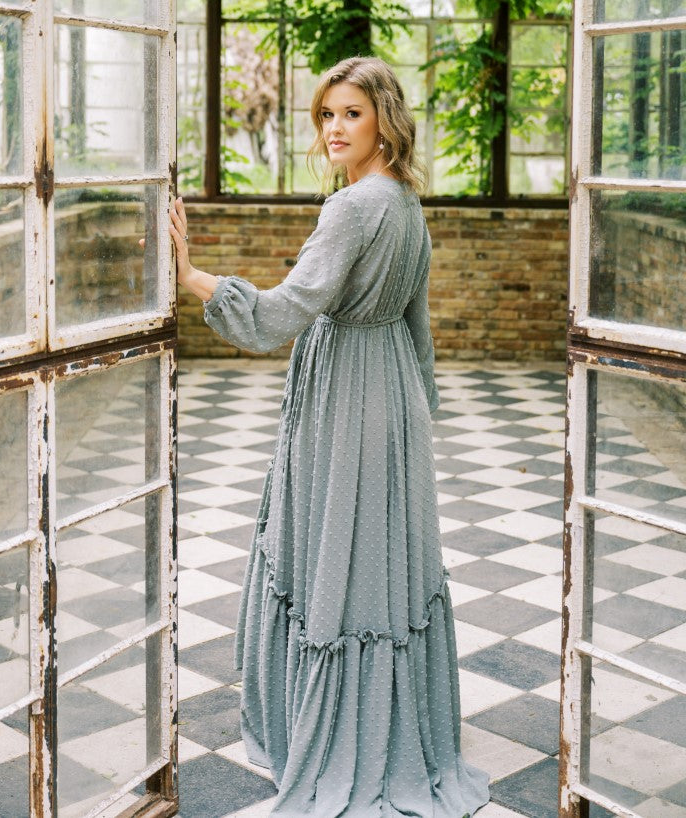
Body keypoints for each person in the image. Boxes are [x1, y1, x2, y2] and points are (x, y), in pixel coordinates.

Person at [169, 56, 490, 817]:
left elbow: (285, 312)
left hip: (347, 390)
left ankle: (343, 736)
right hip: (393, 394)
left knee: (338, 555)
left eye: (351, 113)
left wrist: (191, 277)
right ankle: (397, 728)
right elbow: (418, 325)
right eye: (325, 116)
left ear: (384, 118)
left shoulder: (353, 208)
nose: (335, 128)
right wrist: (420, 409)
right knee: (382, 557)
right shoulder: (407, 203)